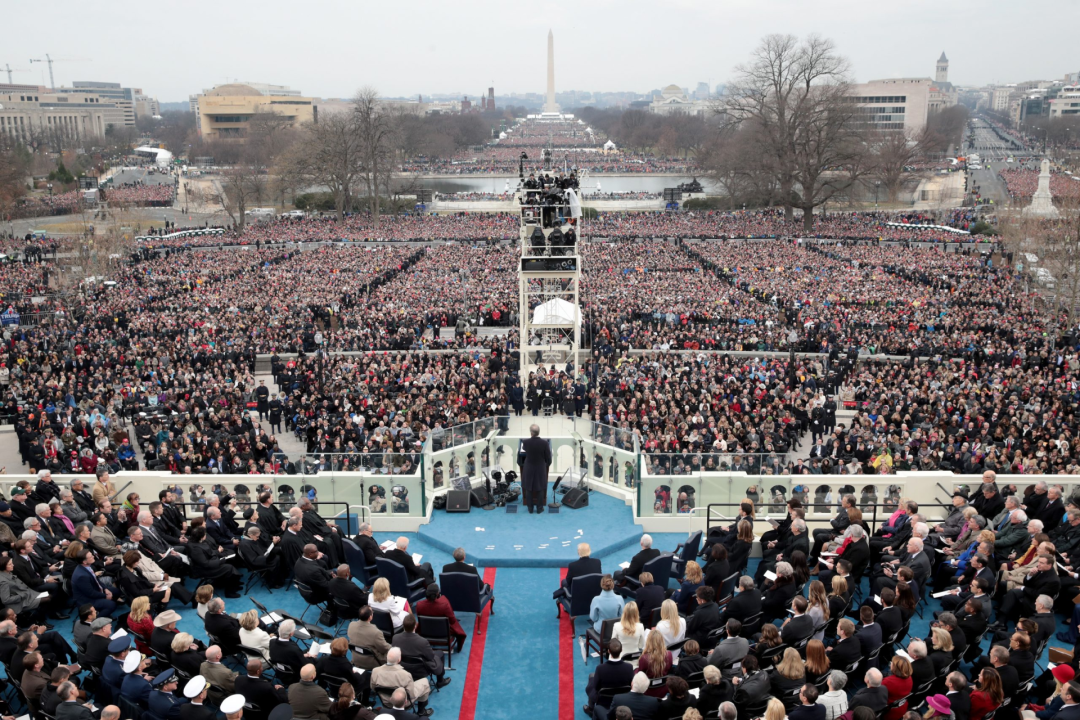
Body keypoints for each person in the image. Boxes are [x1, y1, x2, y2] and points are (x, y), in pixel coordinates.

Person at [392, 615, 451, 690]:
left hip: (402, 667)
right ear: (415, 626)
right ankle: (440, 681)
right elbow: (431, 657)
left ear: (403, 626)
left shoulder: (395, 638)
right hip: (420, 669)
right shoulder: (422, 641)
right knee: (440, 653)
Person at [370, 648, 432, 717]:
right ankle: (421, 711)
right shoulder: (406, 674)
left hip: (385, 701)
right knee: (425, 682)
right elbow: (411, 695)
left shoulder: (375, 671)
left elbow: (373, 688)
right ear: (399, 659)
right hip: (404, 703)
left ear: (386, 657)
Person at [583, 638, 635, 716]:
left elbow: (596, 688)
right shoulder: (629, 667)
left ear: (608, 651)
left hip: (603, 699)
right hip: (622, 698)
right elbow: (631, 686)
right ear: (621, 650)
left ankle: (591, 709)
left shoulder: (600, 668)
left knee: (591, 678)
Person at [414, 583, 466, 653]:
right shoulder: (444, 604)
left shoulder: (419, 605)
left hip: (426, 632)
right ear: (438, 593)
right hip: (444, 634)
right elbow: (453, 621)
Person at [596, 671, 660, 720]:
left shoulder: (618, 699)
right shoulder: (654, 702)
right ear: (646, 688)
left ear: (632, 683)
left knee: (597, 708)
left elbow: (610, 717)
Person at [519, 424, 551, 513]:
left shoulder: (525, 442)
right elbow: (548, 456)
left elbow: (524, 450)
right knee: (540, 487)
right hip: (540, 467)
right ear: (538, 432)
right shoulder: (544, 443)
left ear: (531, 433)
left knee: (529, 487)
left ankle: (530, 508)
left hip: (529, 467)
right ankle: (539, 508)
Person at [348, 606, 391, 672]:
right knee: (393, 652)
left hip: (356, 659)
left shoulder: (351, 625)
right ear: (370, 617)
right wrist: (393, 647)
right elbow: (384, 649)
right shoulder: (376, 632)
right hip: (371, 662)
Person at [637, 630, 672, 697]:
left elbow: (640, 675)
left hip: (648, 690)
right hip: (663, 689)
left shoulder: (644, 658)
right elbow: (669, 669)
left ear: (648, 641)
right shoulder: (669, 654)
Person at [882, 655, 913, 720]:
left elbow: (876, 691)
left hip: (888, 712)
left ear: (895, 668)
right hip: (902, 707)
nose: (890, 664)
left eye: (892, 663)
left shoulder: (888, 682)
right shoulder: (909, 678)